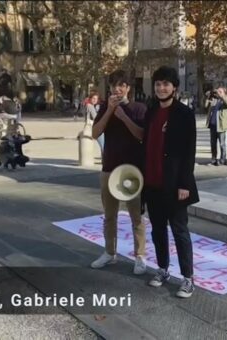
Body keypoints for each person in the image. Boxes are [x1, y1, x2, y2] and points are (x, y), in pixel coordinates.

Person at [143, 66, 199, 298]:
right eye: (158, 84)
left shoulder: (184, 114)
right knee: (157, 230)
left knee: (179, 230)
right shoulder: (151, 112)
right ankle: (163, 269)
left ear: (174, 87)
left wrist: (185, 184)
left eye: (166, 84)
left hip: (176, 184)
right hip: (153, 182)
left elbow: (189, 151)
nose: (161, 88)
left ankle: (187, 278)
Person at [90, 69, 148, 275]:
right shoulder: (106, 107)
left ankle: (140, 256)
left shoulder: (140, 109)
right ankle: (109, 252)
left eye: (122, 85)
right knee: (109, 215)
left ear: (128, 88)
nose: (118, 88)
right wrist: (109, 112)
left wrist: (123, 116)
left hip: (133, 170)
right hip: (109, 169)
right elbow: (94, 133)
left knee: (136, 217)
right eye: (114, 85)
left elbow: (142, 135)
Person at [205, 87, 227, 165]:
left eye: (220, 91)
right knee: (213, 143)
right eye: (217, 91)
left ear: (224, 93)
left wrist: (222, 96)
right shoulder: (214, 100)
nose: (218, 93)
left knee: (222, 144)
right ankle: (213, 158)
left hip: (221, 126)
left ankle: (223, 159)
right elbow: (205, 106)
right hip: (212, 125)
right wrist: (208, 97)